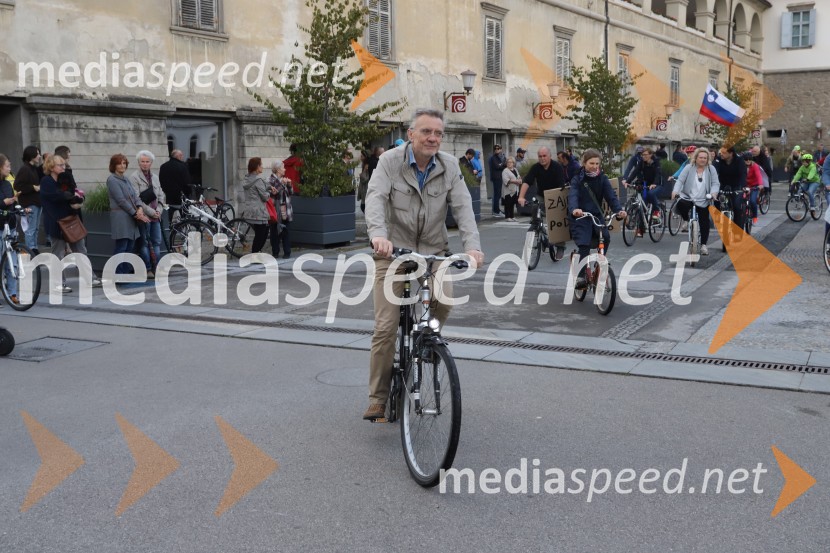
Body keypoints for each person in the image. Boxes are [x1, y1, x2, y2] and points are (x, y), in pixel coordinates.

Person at [363, 108, 484, 421]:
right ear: (411, 134)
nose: (433, 138)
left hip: (433, 249)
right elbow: (375, 198)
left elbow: (463, 206)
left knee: (444, 301)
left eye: (438, 133)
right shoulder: (389, 161)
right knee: (386, 327)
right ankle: (378, 397)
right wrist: (379, 236)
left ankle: (426, 341)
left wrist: (472, 247)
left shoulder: (449, 165)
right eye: (427, 132)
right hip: (393, 251)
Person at [40, 155, 102, 291]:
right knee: (58, 253)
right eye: (59, 165)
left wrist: (77, 199)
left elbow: (75, 192)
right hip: (56, 222)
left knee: (81, 250)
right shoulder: (46, 181)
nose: (63, 167)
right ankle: (58, 283)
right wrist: (71, 199)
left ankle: (90, 279)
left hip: (72, 220)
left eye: (63, 165)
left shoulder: (67, 178)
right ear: (51, 167)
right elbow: (57, 197)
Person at [568, 149, 627, 288]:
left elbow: (611, 197)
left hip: (596, 215)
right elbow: (573, 195)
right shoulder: (578, 178)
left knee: (605, 237)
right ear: (584, 163)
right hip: (581, 216)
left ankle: (599, 266)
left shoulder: (602, 178)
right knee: (584, 244)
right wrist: (575, 209)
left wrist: (619, 210)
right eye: (591, 163)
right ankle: (581, 276)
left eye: (597, 163)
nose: (594, 166)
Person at [518, 146, 567, 260]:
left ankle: (560, 246)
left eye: (544, 156)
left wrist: (558, 201)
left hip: (555, 194)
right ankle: (536, 225)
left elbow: (561, 185)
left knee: (557, 221)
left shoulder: (557, 167)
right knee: (535, 205)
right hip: (541, 194)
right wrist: (521, 197)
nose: (542, 158)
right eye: (540, 156)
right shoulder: (536, 167)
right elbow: (527, 182)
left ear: (550, 156)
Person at [107, 154, 150, 275]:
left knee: (129, 247)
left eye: (124, 163)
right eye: (119, 163)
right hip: (121, 217)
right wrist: (136, 213)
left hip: (131, 217)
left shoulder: (125, 178)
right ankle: (117, 274)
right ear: (114, 165)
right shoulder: (112, 180)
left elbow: (135, 196)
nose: (122, 165)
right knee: (122, 247)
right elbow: (121, 200)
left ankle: (124, 273)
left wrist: (140, 207)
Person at [672, 148, 720, 255]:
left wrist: (713, 193)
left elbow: (715, 183)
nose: (703, 160)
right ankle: (686, 220)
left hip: (703, 199)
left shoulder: (711, 169)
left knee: (704, 222)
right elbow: (680, 180)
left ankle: (703, 245)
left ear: (708, 159)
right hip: (688, 197)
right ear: (696, 158)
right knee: (681, 204)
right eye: (701, 157)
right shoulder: (689, 168)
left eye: (705, 158)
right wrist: (675, 191)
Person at [129, 150, 165, 278]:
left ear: (151, 163)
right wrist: (151, 212)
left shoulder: (155, 177)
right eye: (142, 161)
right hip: (144, 216)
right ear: (139, 163)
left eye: (147, 162)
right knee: (144, 243)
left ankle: (157, 267)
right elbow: (136, 198)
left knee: (156, 242)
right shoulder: (134, 177)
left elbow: (161, 194)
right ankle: (148, 268)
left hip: (156, 215)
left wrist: (159, 211)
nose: (145, 164)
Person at [15, 146, 43, 255]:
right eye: (37, 154)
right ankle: (30, 250)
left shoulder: (32, 168)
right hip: (29, 203)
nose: (39, 156)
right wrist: (33, 187)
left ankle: (34, 248)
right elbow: (17, 186)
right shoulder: (25, 169)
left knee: (35, 228)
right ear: (31, 155)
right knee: (31, 229)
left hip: (36, 202)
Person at [626, 147, 665, 228]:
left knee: (650, 194)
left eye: (645, 155)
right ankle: (641, 228)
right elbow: (635, 171)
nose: (643, 156)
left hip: (657, 184)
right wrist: (627, 181)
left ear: (650, 155)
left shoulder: (656, 162)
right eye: (642, 155)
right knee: (642, 207)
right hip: (646, 184)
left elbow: (658, 174)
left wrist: (654, 183)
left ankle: (657, 211)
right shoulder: (642, 162)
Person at [0, 154, 20, 303]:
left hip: (10, 225)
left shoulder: (7, 184)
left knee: (12, 262)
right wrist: (3, 202)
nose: (9, 168)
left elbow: (11, 202)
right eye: (7, 165)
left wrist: (20, 208)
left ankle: (13, 293)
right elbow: (4, 202)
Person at [241, 157, 271, 253]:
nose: (262, 167)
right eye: (261, 165)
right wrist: (269, 193)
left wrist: (270, 187)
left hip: (250, 210)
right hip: (259, 211)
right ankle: (255, 253)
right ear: (257, 167)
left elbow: (263, 185)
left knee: (261, 232)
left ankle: (256, 252)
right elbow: (265, 197)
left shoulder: (247, 178)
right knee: (262, 233)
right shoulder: (258, 180)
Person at [714, 146, 747, 230]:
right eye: (720, 152)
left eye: (724, 153)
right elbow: (714, 171)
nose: (721, 154)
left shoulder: (739, 160)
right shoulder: (718, 160)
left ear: (731, 153)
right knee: (716, 200)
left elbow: (743, 174)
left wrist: (743, 186)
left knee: (737, 206)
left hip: (736, 185)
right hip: (723, 184)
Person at [158, 149, 192, 226]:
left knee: (169, 214)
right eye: (181, 155)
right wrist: (188, 192)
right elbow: (187, 182)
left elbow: (161, 180)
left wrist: (165, 190)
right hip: (182, 194)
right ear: (178, 156)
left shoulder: (163, 166)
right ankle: (185, 231)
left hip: (169, 194)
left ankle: (168, 231)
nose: (183, 157)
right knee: (184, 215)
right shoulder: (183, 166)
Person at [268, 161, 293, 259]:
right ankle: (275, 252)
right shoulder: (270, 180)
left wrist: (289, 184)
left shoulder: (283, 179)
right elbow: (272, 194)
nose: (285, 169)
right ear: (278, 170)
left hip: (285, 209)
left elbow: (291, 193)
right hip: (275, 210)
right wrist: (281, 184)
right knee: (274, 231)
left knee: (286, 230)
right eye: (283, 167)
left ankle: (287, 252)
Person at [742, 152, 763, 224]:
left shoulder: (755, 166)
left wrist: (760, 184)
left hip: (754, 186)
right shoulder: (741, 166)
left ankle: (755, 216)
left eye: (749, 159)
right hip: (744, 186)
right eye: (746, 159)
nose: (748, 161)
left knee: (753, 201)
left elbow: (758, 176)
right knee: (740, 200)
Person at [501, 157, 521, 221]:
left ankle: (512, 216)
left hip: (515, 189)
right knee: (508, 203)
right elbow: (506, 180)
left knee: (512, 203)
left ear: (513, 163)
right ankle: (507, 217)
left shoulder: (515, 169)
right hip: (508, 190)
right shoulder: (505, 171)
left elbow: (518, 176)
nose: (509, 163)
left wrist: (520, 180)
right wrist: (515, 181)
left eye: (510, 162)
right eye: (508, 162)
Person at [488, 144, 506, 216]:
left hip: (501, 177)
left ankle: (497, 209)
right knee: (496, 195)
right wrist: (503, 164)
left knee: (499, 195)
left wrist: (502, 164)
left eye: (498, 148)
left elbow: (503, 165)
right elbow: (497, 166)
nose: (497, 149)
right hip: (496, 177)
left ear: (501, 149)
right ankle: (496, 211)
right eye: (495, 148)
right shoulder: (493, 158)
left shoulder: (502, 157)